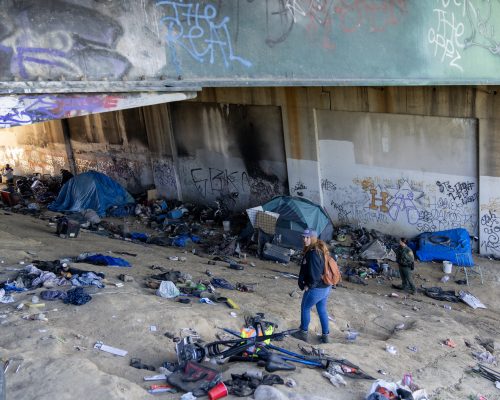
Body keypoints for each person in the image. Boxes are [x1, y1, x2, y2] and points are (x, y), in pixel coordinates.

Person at [292, 228, 332, 344]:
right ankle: (325, 336)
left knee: (305, 308)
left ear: (313, 237)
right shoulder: (321, 249)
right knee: (322, 310)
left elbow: (315, 274)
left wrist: (308, 285)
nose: (305, 239)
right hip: (325, 287)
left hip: (316, 288)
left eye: (307, 237)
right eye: (303, 237)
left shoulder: (313, 253)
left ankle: (303, 333)